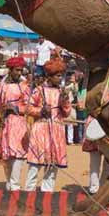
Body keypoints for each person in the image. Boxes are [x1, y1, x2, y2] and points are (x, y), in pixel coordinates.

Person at [24, 57, 70, 192]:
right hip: (40, 130)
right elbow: (28, 109)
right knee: (35, 165)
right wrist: (41, 111)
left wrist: (64, 103)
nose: (60, 78)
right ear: (49, 77)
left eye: (61, 76)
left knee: (52, 166)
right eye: (57, 76)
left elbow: (67, 113)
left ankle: (47, 194)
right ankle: (29, 193)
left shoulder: (62, 92)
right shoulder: (39, 90)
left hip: (57, 131)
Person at [0, 56, 31, 190]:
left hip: (18, 123)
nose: (19, 73)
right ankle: (9, 184)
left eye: (21, 70)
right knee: (6, 155)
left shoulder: (24, 86)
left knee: (18, 154)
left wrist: (15, 108)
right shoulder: (0, 86)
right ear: (10, 70)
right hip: (3, 124)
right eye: (17, 70)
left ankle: (15, 185)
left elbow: (30, 106)